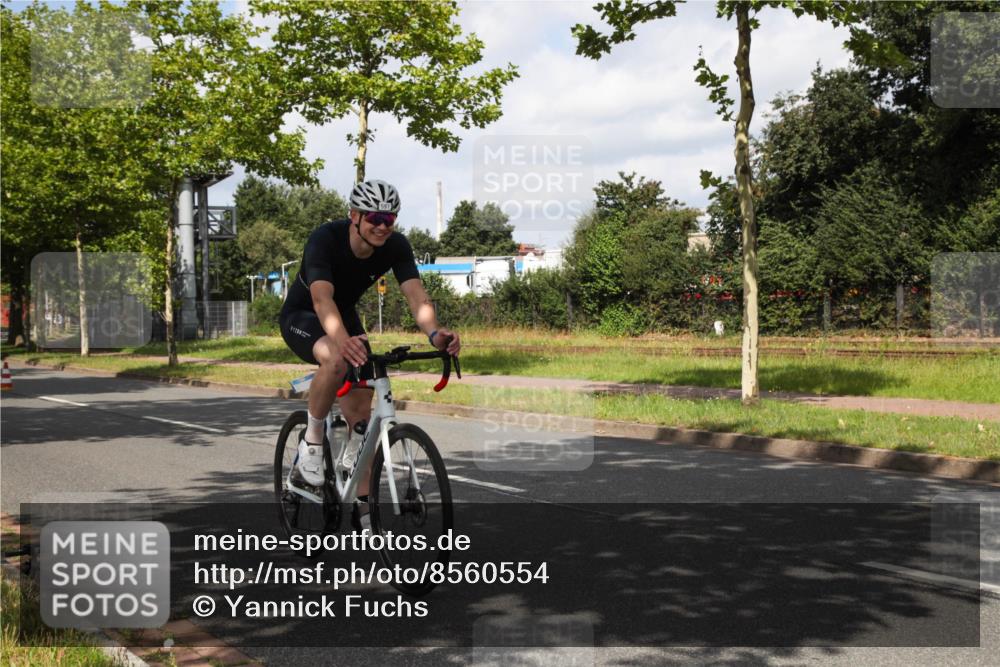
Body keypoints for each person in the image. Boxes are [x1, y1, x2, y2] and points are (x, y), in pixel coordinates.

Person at [279, 179, 461, 500]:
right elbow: (322, 299)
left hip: (342, 316)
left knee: (362, 422)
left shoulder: (397, 246)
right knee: (335, 359)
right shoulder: (325, 239)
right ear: (354, 215)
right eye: (375, 218)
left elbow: (416, 296)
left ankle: (365, 514)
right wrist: (342, 339)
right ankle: (312, 441)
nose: (382, 226)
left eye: (389, 219)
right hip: (303, 316)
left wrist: (435, 333)